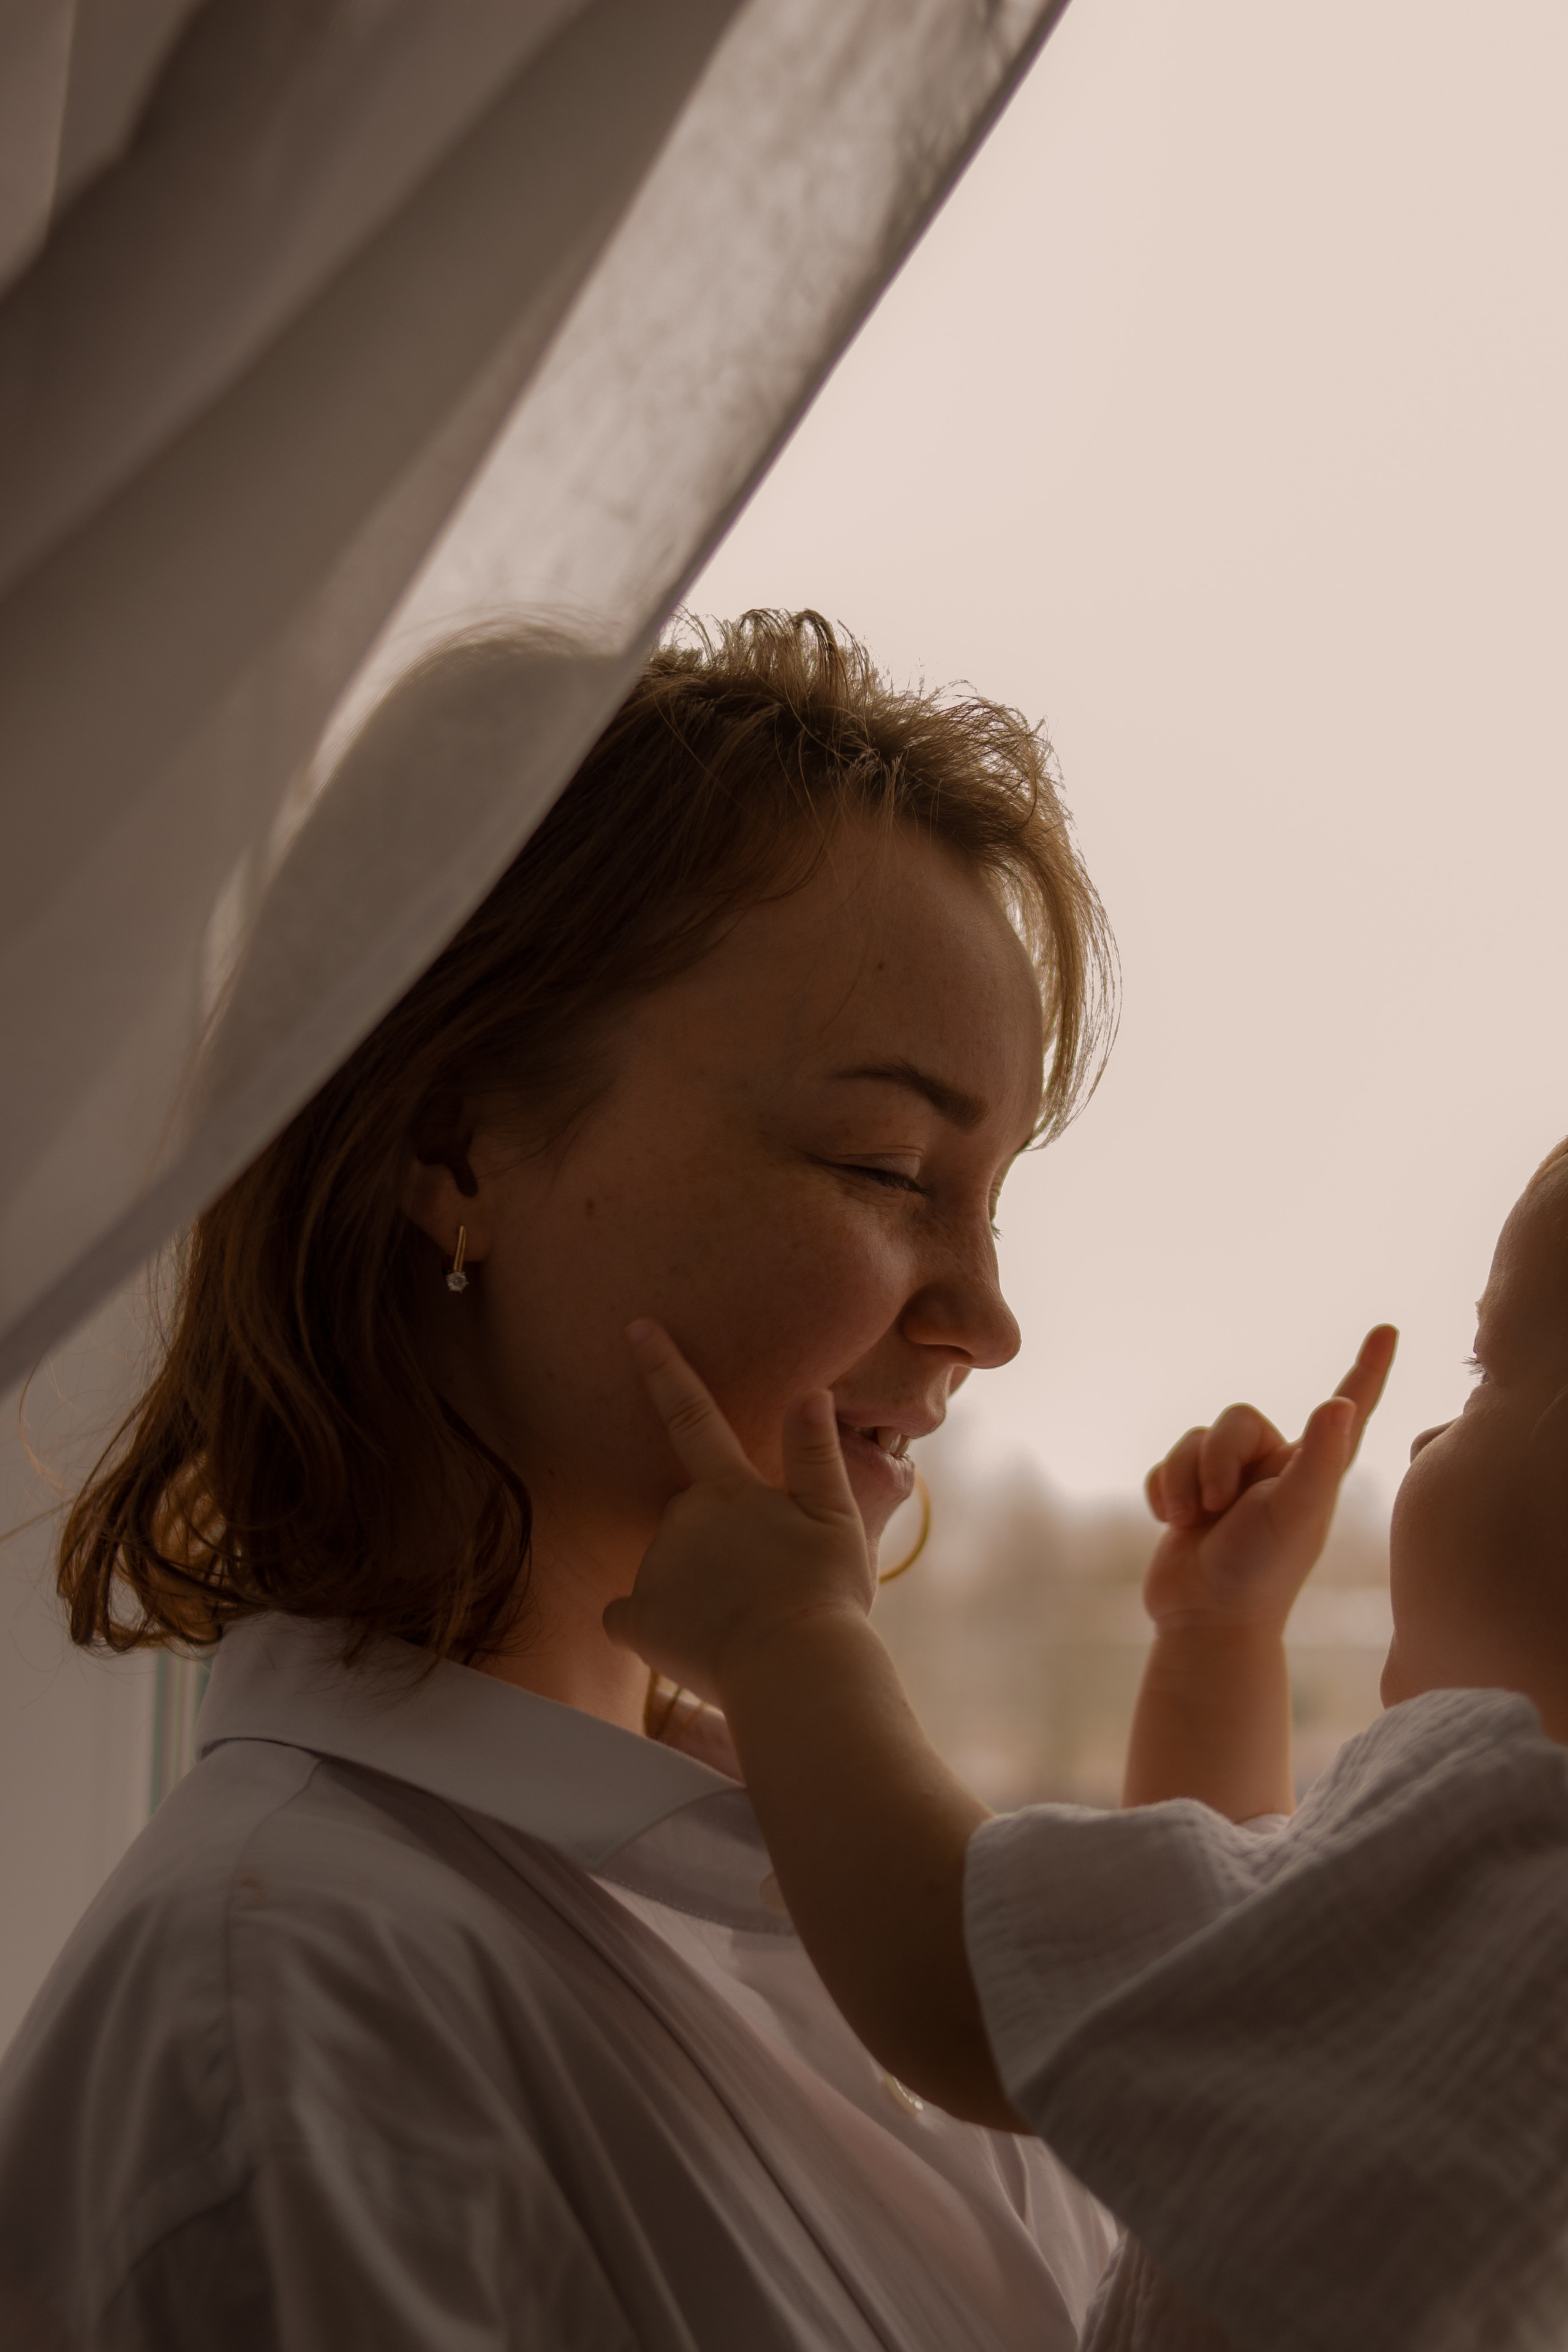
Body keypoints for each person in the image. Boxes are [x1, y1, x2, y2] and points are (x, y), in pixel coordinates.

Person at [0, 612, 1125, 2350]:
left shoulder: (824, 1893)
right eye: (889, 1168)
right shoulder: (292, 2017)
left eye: (989, 1202)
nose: (989, 1320)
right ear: (455, 1150)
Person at [604, 1137, 1568, 2349]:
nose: (1422, 1446)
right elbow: (1208, 2020)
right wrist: (1218, 1642)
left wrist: (786, 1636)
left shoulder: (1508, 1845)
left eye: (1483, 1379)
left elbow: (961, 1988)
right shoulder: (1504, 1903)